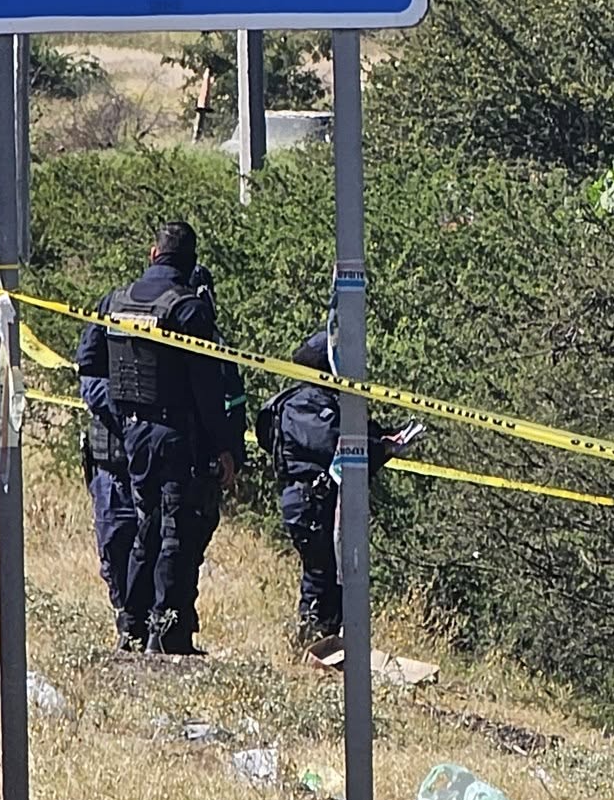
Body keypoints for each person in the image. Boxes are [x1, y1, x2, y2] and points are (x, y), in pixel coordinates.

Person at [75, 222, 238, 655]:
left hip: (132, 436)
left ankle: (133, 627)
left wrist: (119, 414)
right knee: (173, 534)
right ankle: (166, 636)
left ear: (153, 254)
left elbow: (88, 365)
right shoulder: (189, 310)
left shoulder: (115, 300)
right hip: (174, 436)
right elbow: (207, 389)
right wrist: (223, 446)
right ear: (191, 263)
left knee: (145, 531)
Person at [256, 331, 419, 649]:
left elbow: (359, 438)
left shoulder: (325, 402)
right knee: (321, 577)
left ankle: (327, 648)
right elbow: (336, 444)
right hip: (311, 502)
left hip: (322, 501)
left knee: (334, 578)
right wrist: (381, 448)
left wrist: (386, 441)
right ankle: (312, 646)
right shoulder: (305, 405)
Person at [175, 264, 248, 653]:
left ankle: (169, 629)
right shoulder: (207, 341)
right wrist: (229, 453)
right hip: (194, 459)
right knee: (181, 545)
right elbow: (228, 404)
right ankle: (172, 631)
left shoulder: (159, 330)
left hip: (172, 455)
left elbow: (232, 402)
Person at [79, 375, 141, 649]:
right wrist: (129, 403)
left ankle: (151, 626)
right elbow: (91, 384)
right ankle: (127, 625)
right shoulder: (101, 347)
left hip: (151, 467)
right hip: (113, 474)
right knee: (114, 552)